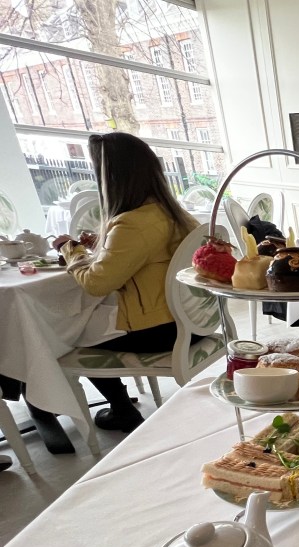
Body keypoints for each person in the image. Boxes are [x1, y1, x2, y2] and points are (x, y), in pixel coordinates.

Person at [61, 132, 199, 433]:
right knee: (83, 326)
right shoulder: (177, 215)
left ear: (111, 177)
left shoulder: (132, 223)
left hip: (160, 332)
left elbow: (96, 284)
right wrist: (106, 244)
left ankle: (121, 409)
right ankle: (120, 405)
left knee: (65, 336)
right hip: (193, 323)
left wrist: (72, 251)